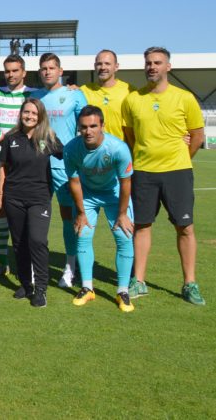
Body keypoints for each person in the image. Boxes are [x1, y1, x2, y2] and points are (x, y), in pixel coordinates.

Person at [122, 46, 205, 305]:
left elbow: (198, 136)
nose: (152, 67)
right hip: (144, 172)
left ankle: (189, 283)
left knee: (185, 227)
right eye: (148, 62)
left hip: (177, 172)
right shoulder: (133, 100)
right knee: (142, 226)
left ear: (168, 66)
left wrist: (180, 158)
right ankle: (139, 281)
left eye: (157, 62)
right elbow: (130, 135)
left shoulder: (185, 98)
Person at [65, 105, 136, 312]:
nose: (88, 131)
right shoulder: (72, 149)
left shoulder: (118, 148)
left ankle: (122, 291)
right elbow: (74, 182)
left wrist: (122, 214)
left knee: (124, 236)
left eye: (93, 126)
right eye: (84, 127)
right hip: (87, 194)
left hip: (114, 194)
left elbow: (126, 183)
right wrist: (80, 213)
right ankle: (87, 288)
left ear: (102, 126)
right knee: (83, 234)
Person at [0, 98, 62, 307]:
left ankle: (41, 289)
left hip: (39, 198)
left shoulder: (48, 137)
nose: (30, 116)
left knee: (37, 240)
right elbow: (3, 167)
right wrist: (0, 194)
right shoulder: (11, 137)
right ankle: (26, 284)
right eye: (26, 112)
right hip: (13, 197)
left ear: (40, 116)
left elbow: (68, 155)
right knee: (19, 243)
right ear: (21, 113)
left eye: (34, 113)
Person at [36, 53, 87, 289]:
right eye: (43, 68)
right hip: (37, 169)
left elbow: (86, 131)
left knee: (68, 218)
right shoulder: (34, 97)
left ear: (60, 70)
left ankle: (70, 267)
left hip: (64, 170)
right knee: (37, 219)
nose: (47, 71)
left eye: (51, 68)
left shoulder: (74, 95)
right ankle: (36, 267)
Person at [0, 54, 37, 277]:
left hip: (25, 163)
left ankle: (24, 261)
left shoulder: (34, 95)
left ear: (24, 72)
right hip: (0, 160)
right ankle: (1, 259)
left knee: (26, 214)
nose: (10, 75)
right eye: (7, 71)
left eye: (15, 70)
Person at [80, 50, 134, 141]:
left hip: (119, 150)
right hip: (93, 151)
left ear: (116, 67)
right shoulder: (83, 91)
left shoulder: (129, 91)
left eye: (107, 64)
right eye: (99, 64)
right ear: (95, 66)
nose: (103, 67)